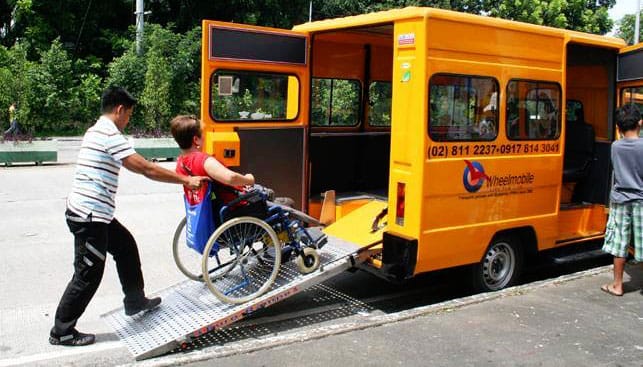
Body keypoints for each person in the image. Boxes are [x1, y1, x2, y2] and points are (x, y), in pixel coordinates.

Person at [49, 87, 208, 347]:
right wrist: (185, 180)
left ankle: (135, 300)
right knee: (88, 273)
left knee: (125, 247)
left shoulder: (96, 130)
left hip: (96, 213)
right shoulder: (108, 134)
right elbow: (145, 168)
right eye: (129, 115)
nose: (128, 120)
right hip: (89, 217)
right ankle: (62, 330)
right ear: (120, 109)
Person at [169, 115, 255, 212]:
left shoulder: (180, 163)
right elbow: (231, 178)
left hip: (206, 209)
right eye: (203, 134)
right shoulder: (203, 160)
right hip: (233, 207)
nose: (205, 137)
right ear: (196, 140)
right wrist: (249, 179)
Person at [600, 104, 643, 297]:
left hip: (620, 199)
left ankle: (617, 285)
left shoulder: (615, 147)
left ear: (618, 127)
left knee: (620, 244)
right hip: (641, 199)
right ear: (640, 123)